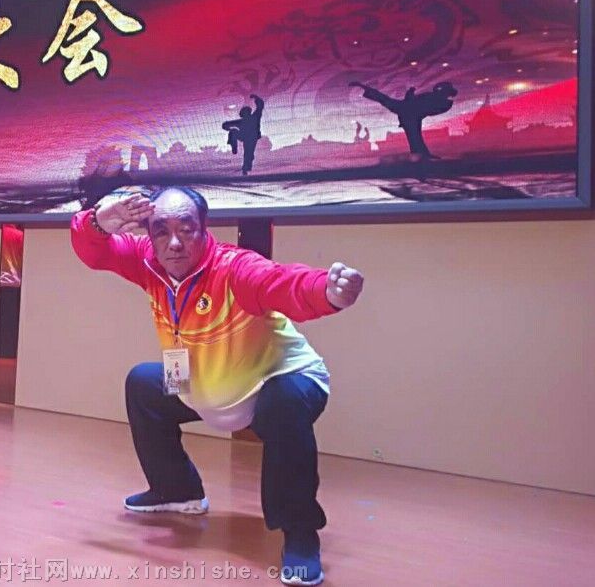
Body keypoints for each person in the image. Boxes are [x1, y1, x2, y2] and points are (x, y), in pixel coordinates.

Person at [70, 188, 364, 585]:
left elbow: (283, 282)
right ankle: (177, 490)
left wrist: (327, 291)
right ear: (149, 235)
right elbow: (95, 252)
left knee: (284, 403)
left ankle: (300, 533)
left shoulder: (234, 268)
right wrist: (96, 222)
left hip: (274, 379)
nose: (174, 243)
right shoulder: (147, 262)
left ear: (204, 229)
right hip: (208, 381)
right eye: (162, 231)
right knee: (143, 384)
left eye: (186, 229)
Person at [349, 81, 457, 159]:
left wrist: (411, 94)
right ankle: (421, 154)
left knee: (414, 136)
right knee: (414, 135)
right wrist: (411, 93)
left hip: (411, 114)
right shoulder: (435, 99)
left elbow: (420, 105)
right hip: (408, 112)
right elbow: (412, 101)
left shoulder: (442, 102)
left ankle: (421, 154)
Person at [222, 94, 264, 175]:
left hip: (251, 138)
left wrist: (256, 98)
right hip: (246, 137)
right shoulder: (242, 121)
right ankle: (234, 146)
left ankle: (246, 167)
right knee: (233, 132)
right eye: (245, 113)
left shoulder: (254, 117)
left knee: (249, 153)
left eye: (246, 112)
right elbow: (225, 124)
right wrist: (227, 128)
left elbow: (260, 106)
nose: (246, 114)